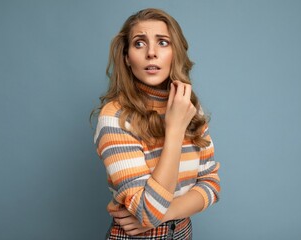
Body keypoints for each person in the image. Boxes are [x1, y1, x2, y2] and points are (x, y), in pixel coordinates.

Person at [92, 8, 220, 239]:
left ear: (176, 52)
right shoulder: (115, 116)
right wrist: (174, 130)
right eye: (139, 43)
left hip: (182, 233)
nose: (151, 53)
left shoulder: (189, 107)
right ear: (127, 58)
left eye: (163, 42)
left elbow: (211, 185)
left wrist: (165, 213)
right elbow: (147, 212)